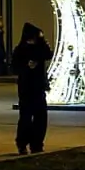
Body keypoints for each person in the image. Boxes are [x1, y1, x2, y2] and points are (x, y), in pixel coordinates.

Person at [12, 22, 52, 154]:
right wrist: (26, 65)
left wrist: (42, 40)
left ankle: (37, 144)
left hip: (38, 87)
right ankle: (22, 143)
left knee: (40, 117)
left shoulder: (40, 48)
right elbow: (15, 67)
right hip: (26, 87)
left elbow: (48, 54)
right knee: (26, 117)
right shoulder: (21, 50)